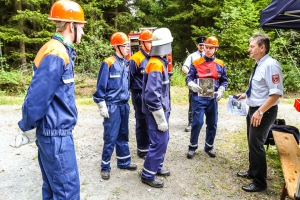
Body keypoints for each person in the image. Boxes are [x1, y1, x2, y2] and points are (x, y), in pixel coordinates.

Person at [17, 1, 86, 199]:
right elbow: (37, 97)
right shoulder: (56, 52)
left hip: (54, 134)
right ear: (71, 25)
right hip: (56, 137)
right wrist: (27, 126)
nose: (82, 31)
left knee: (52, 189)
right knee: (67, 192)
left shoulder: (57, 49)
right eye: (81, 26)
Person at [236, 34, 283, 192]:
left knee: (256, 144)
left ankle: (260, 182)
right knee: (251, 141)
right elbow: (259, 86)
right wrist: (246, 94)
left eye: (252, 46)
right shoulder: (259, 64)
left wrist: (260, 112)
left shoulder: (271, 65)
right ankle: (252, 171)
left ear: (262, 48)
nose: (249, 49)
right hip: (254, 108)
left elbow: (276, 93)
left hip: (264, 111)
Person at [93, 32, 137, 180]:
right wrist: (101, 104)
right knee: (110, 136)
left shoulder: (126, 63)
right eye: (125, 46)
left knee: (123, 134)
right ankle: (105, 166)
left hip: (124, 105)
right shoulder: (108, 63)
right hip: (112, 105)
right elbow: (100, 86)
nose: (127, 49)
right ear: (117, 46)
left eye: (128, 46)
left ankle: (124, 162)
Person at [186, 36, 228, 159]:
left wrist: (221, 90)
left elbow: (224, 81)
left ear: (216, 49)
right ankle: (192, 146)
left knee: (212, 123)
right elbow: (188, 78)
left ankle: (209, 146)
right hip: (198, 97)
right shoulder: (196, 63)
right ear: (203, 47)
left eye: (211, 48)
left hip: (213, 98)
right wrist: (192, 85)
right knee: (197, 122)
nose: (208, 50)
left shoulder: (220, 64)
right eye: (206, 47)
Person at [140, 28, 173, 188]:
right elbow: (152, 95)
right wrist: (160, 119)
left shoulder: (159, 62)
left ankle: (156, 167)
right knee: (158, 142)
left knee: (163, 141)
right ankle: (148, 174)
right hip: (156, 113)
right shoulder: (155, 64)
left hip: (161, 110)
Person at [129, 29, 152, 159]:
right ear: (142, 43)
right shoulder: (136, 58)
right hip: (139, 94)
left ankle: (150, 145)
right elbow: (129, 78)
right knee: (141, 121)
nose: (151, 44)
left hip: (150, 94)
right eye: (149, 42)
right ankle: (142, 149)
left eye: (152, 41)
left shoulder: (153, 57)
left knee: (151, 121)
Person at [182, 36, 206, 132]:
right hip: (194, 83)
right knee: (192, 102)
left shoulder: (208, 56)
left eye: (203, 45)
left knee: (207, 102)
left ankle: (205, 122)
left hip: (206, 82)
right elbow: (184, 67)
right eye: (200, 45)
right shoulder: (192, 56)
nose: (202, 47)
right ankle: (191, 123)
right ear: (197, 45)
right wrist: (190, 75)